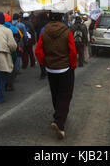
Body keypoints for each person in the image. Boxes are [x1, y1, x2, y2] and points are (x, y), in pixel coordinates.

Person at [35, 12, 77, 140]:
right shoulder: (67, 31)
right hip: (65, 68)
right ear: (62, 18)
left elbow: (38, 50)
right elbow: (72, 51)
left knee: (55, 94)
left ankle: (58, 116)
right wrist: (73, 65)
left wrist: (44, 63)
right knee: (65, 95)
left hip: (50, 68)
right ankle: (59, 123)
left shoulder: (44, 32)